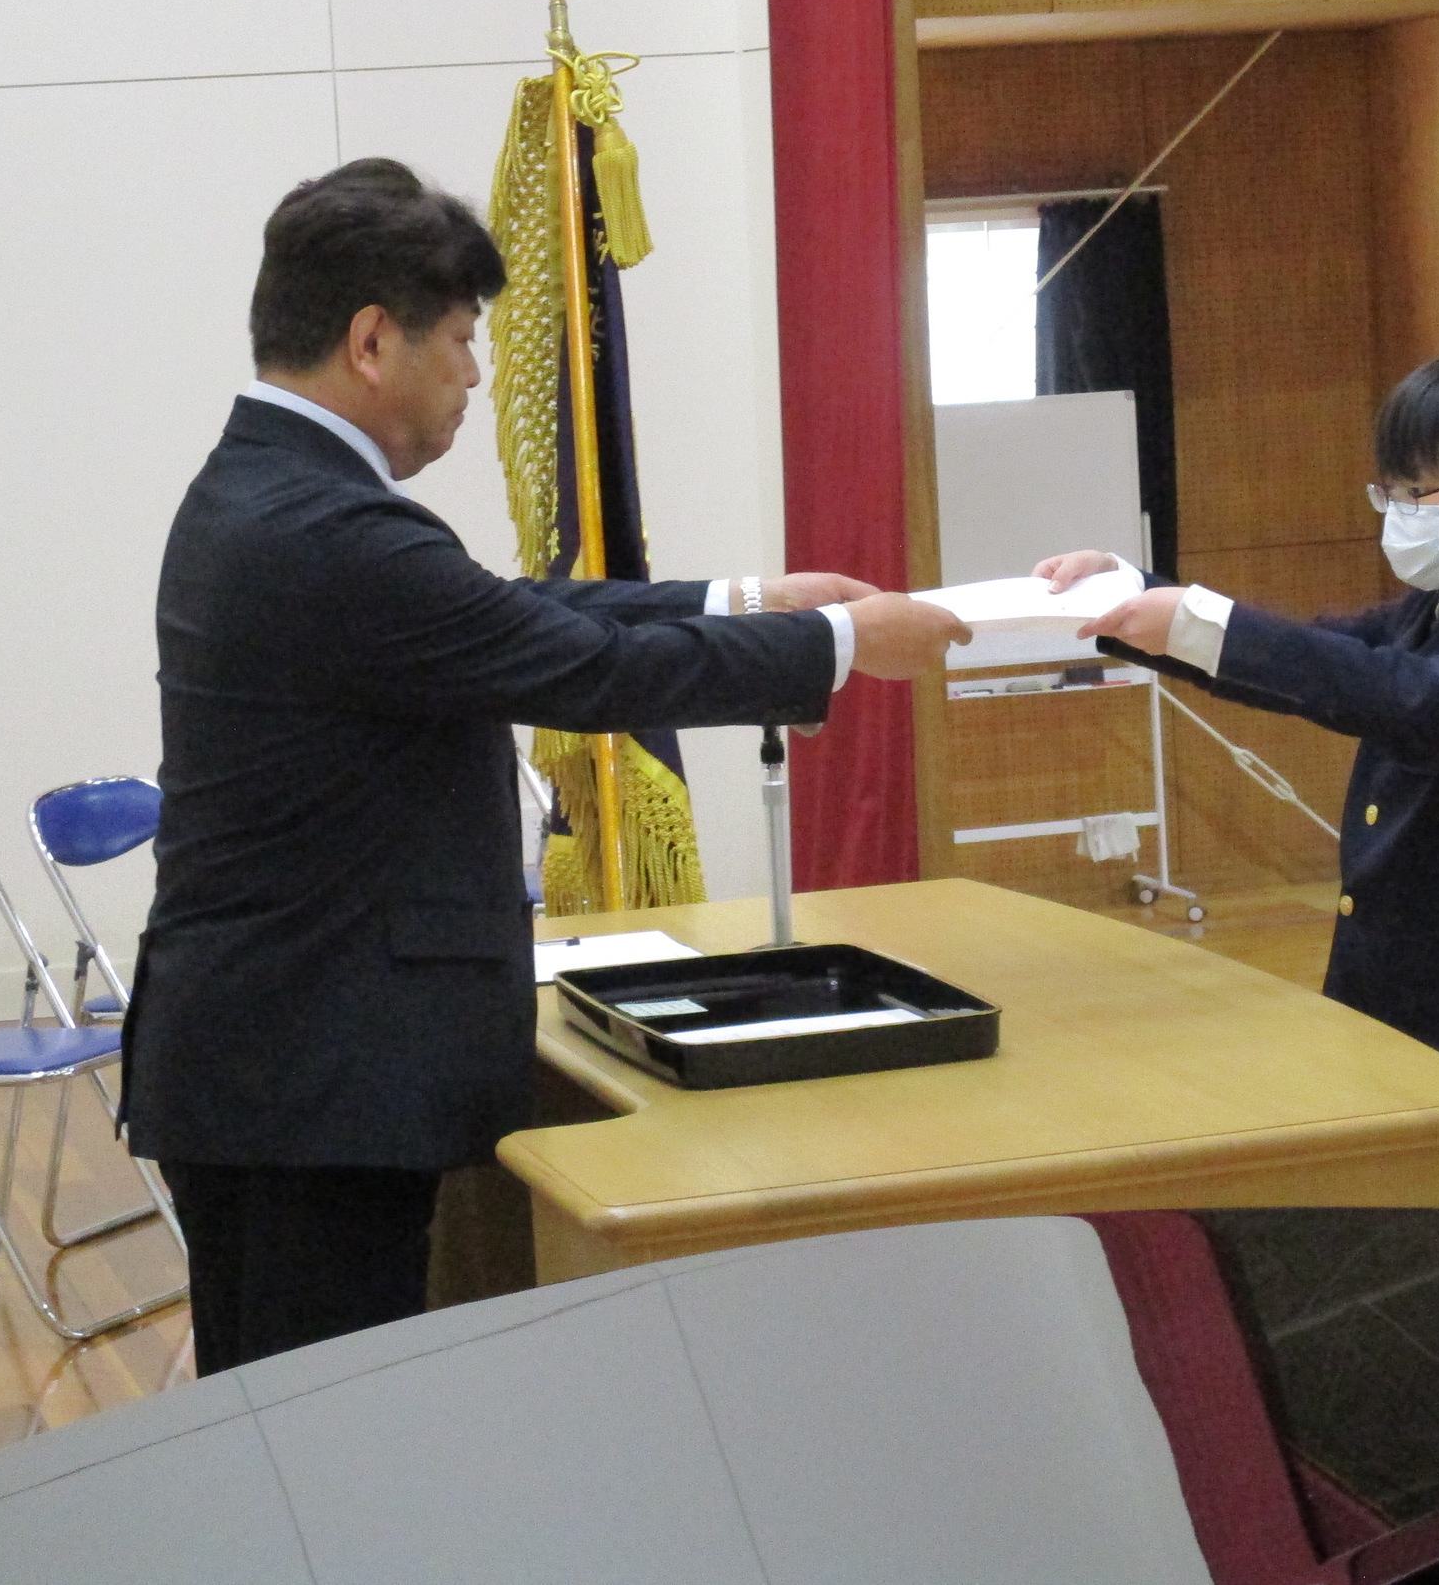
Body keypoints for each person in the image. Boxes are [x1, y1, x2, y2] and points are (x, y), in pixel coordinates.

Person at [122, 158, 967, 1371]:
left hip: (282, 1059)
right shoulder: (324, 529)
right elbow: (581, 667)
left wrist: (747, 599)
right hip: (311, 1078)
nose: (474, 376)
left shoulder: (273, 490)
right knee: (319, 1427)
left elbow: (509, 611)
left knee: (290, 1418)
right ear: (373, 341)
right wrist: (839, 644)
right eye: (461, 340)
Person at [1035, 351, 1439, 1209]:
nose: (1400, 513)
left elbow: (1409, 698)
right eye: (1393, 492)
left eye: (1420, 493)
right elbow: (1314, 656)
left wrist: (1199, 621)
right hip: (1397, 1011)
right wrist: (1133, 597)